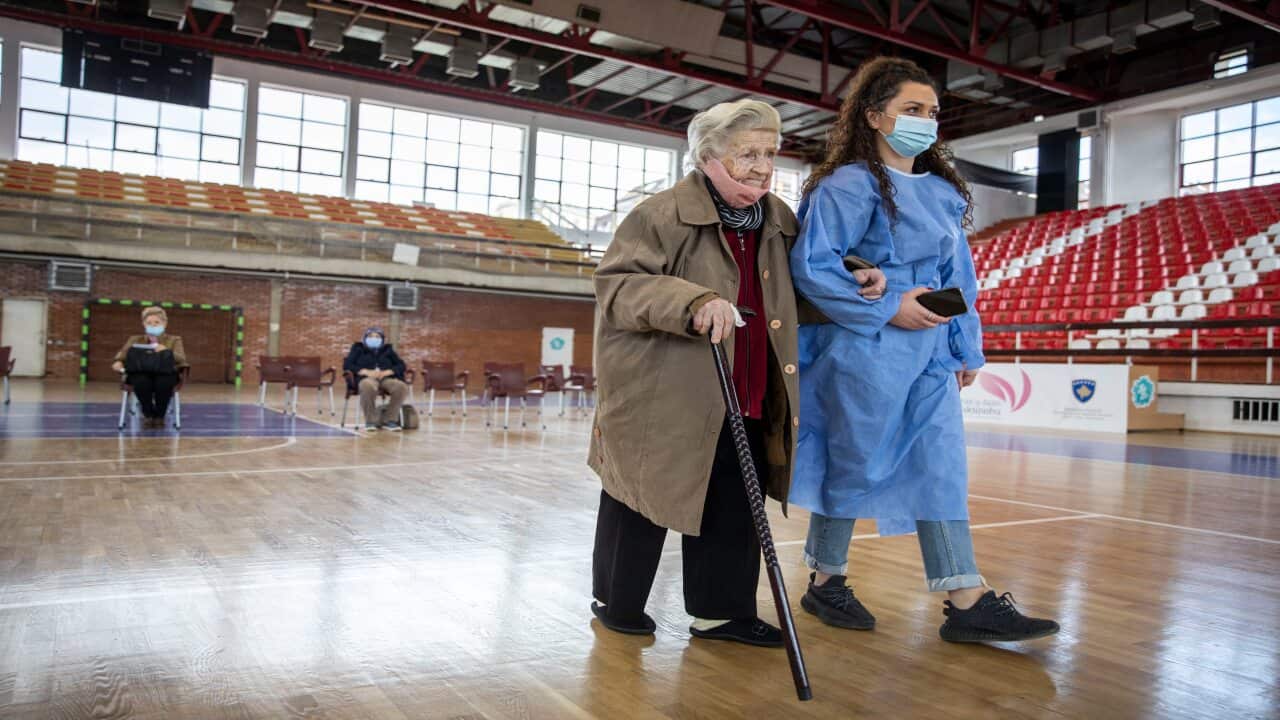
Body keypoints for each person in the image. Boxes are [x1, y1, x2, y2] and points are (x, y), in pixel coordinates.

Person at [788, 57, 1060, 643]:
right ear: (874, 116)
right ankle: (825, 580)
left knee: (941, 464)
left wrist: (965, 349)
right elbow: (813, 267)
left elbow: (959, 276)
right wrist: (889, 306)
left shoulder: (941, 193)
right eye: (912, 110)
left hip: (930, 351)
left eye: (933, 113)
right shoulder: (845, 186)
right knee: (853, 460)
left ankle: (966, 598)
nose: (925, 121)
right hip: (862, 350)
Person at [588, 100, 867, 647]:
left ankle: (722, 612)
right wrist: (692, 300)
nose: (763, 165)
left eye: (770, 153)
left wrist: (856, 276)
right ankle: (617, 602)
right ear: (710, 155)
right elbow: (619, 287)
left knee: (737, 500)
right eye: (748, 154)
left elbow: (805, 281)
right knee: (640, 496)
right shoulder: (661, 215)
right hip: (665, 393)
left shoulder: (779, 219)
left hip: (747, 384)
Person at [111, 306, 187, 429]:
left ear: (165, 323)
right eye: (149, 323)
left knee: (163, 382)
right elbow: (122, 356)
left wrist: (166, 350)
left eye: (157, 322)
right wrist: (118, 362)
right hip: (141, 372)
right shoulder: (135, 339)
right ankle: (148, 414)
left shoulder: (174, 340)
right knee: (141, 381)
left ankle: (159, 416)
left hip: (166, 373)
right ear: (144, 324)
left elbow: (181, 359)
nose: (153, 325)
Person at [343, 327, 409, 432]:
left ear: (382, 339)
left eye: (377, 337)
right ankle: (371, 421)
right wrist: (364, 371)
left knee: (401, 387)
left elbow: (401, 365)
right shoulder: (358, 348)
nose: (374, 338)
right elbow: (347, 364)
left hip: (385, 378)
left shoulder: (388, 350)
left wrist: (389, 371)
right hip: (367, 378)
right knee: (367, 385)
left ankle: (390, 420)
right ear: (365, 338)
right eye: (370, 336)